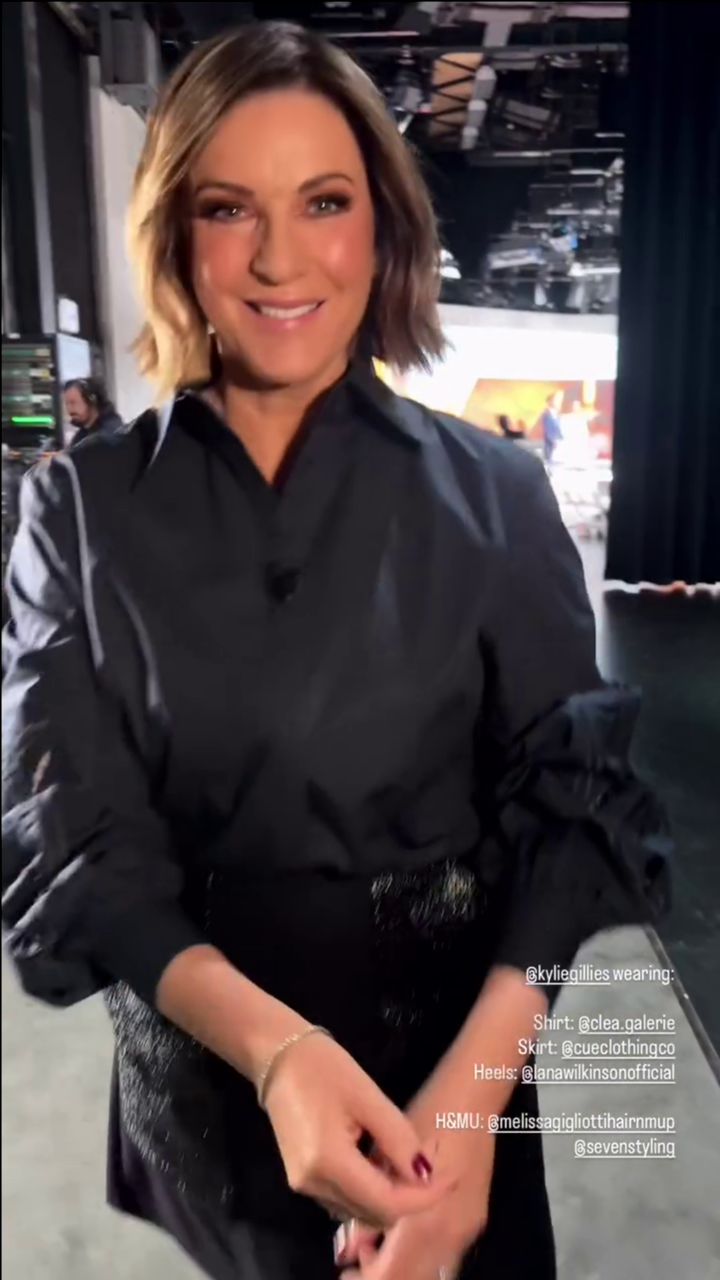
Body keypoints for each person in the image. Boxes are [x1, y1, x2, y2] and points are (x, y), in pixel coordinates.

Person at [2, 22, 671, 1280]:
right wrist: (280, 1053)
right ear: (175, 235)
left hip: (454, 1072)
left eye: (324, 201)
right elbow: (73, 837)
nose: (280, 258)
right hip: (212, 1087)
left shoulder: (497, 497)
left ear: (383, 227)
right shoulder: (78, 512)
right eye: (228, 208)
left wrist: (469, 1106)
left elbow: (575, 815)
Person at [63, 377, 124, 446]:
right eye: (67, 404)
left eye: (73, 402)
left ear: (92, 401)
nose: (69, 409)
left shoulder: (111, 430)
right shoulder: (82, 433)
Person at [539, 390, 564, 463]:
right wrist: (552, 440)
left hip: (557, 438)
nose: (556, 402)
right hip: (550, 439)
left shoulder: (557, 412)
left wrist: (560, 436)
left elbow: (558, 425)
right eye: (554, 400)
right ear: (549, 401)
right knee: (549, 458)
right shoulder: (546, 413)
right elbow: (547, 428)